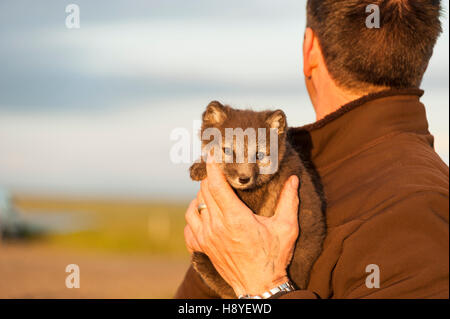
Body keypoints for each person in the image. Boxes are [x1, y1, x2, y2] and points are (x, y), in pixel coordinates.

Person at [175, 0, 449, 299]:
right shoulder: (270, 170)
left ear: (310, 51)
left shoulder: (420, 210)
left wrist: (264, 286)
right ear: (423, 53)